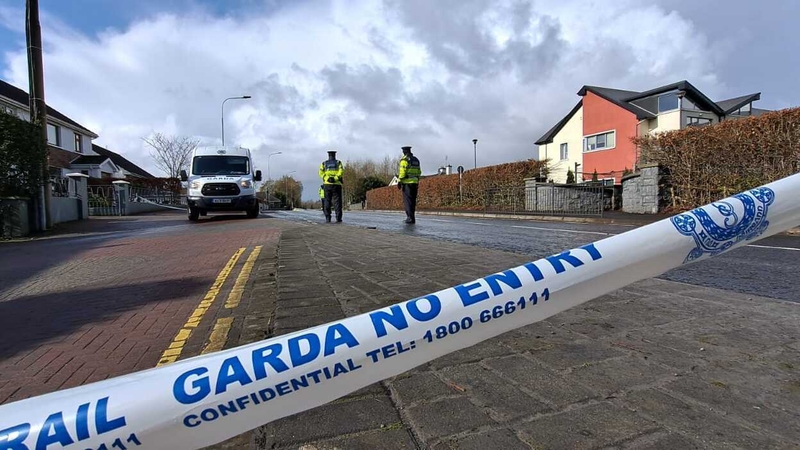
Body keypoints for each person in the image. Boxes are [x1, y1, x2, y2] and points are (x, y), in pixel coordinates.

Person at [397, 146, 421, 224]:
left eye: (403, 151)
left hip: (407, 183)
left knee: (408, 201)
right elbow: (419, 172)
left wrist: (399, 181)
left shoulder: (404, 160)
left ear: (405, 152)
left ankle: (410, 218)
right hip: (415, 183)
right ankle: (412, 218)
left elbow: (402, 172)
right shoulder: (416, 160)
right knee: (413, 201)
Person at [319, 150, 344, 222]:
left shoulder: (324, 163)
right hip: (337, 184)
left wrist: (327, 178)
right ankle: (338, 218)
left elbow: (320, 172)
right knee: (337, 202)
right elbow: (341, 171)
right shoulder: (338, 163)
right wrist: (335, 178)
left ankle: (328, 217)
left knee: (327, 201)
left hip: (327, 184)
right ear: (335, 155)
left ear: (328, 155)